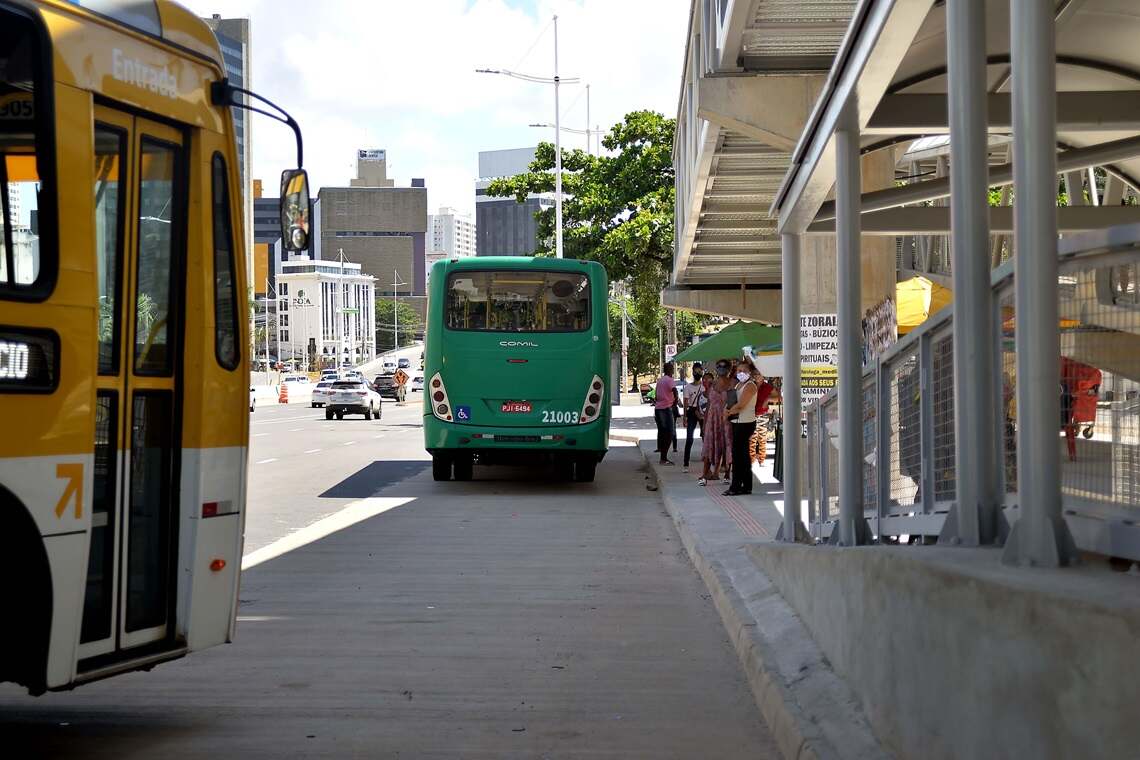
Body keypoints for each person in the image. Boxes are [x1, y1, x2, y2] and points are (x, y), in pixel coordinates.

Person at [722, 355, 760, 496]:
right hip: (737, 422)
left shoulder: (750, 386)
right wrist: (726, 410)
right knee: (742, 456)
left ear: (749, 372)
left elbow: (741, 405)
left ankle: (736, 486)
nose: (740, 373)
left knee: (739, 456)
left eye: (743, 370)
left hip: (745, 423)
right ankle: (745, 486)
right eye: (738, 370)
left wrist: (727, 413)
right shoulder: (739, 385)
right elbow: (732, 401)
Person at [699, 360, 733, 486]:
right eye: (719, 366)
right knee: (709, 445)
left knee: (727, 445)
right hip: (712, 420)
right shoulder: (712, 384)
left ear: (729, 369)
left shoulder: (733, 383)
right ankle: (705, 473)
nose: (721, 369)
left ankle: (727, 474)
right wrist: (704, 423)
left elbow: (734, 402)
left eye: (724, 366)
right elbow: (709, 405)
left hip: (726, 419)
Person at [653, 362, 679, 465]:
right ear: (669, 370)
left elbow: (656, 396)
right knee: (670, 433)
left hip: (658, 409)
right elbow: (675, 391)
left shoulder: (660, 381)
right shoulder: (669, 380)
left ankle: (662, 457)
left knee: (663, 432)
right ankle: (663, 458)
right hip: (666, 409)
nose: (673, 370)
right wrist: (675, 402)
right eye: (672, 369)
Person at [682, 367, 705, 472]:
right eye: (696, 372)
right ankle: (686, 463)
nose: (697, 373)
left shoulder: (705, 387)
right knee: (689, 438)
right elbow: (686, 402)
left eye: (699, 372)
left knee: (705, 436)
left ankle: (707, 459)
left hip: (702, 412)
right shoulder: (688, 387)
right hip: (692, 411)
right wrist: (685, 417)